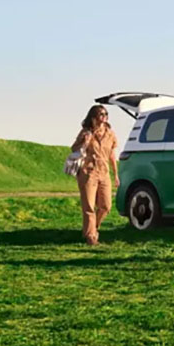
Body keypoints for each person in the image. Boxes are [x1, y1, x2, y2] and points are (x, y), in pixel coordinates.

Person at [71, 105, 119, 246]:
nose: (104, 117)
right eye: (100, 114)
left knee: (106, 206)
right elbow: (73, 149)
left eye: (106, 114)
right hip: (88, 172)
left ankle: (93, 226)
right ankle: (91, 236)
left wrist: (116, 174)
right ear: (93, 117)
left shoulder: (110, 134)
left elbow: (111, 155)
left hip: (104, 173)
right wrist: (84, 143)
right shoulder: (86, 132)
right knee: (89, 206)